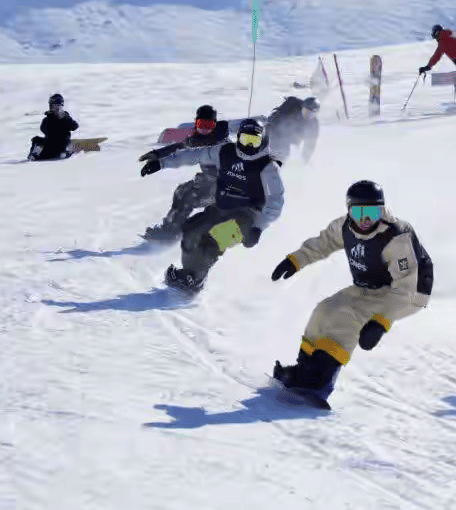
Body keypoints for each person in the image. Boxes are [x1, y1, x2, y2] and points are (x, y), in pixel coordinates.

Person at [269, 181, 432, 405]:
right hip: (370, 286)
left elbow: (405, 287)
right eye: (359, 213)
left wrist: (380, 323)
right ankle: (305, 368)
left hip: (409, 293)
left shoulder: (394, 238)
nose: (365, 221)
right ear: (348, 210)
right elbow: (324, 243)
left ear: (382, 210)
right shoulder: (344, 227)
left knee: (349, 318)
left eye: (372, 213)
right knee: (324, 310)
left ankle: (321, 380)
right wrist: (296, 260)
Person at [141, 118, 283, 293]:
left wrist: (258, 228)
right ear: (238, 137)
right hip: (221, 208)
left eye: (254, 141)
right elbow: (195, 155)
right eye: (245, 139)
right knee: (190, 231)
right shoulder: (225, 151)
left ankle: (196, 279)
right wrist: (161, 162)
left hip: (246, 217)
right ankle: (189, 273)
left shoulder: (268, 167)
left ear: (262, 141)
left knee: (213, 240)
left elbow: (276, 201)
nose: (248, 146)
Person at [141, 105, 231, 242]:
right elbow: (182, 149)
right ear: (195, 124)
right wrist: (157, 156)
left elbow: (192, 154)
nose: (204, 130)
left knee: (189, 197)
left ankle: (172, 234)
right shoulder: (198, 141)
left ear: (215, 125)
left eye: (208, 126)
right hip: (210, 184)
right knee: (181, 191)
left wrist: (211, 180)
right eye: (201, 125)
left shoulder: (221, 144)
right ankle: (169, 229)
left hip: (225, 191)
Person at [419, 25, 456, 105]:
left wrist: (428, 66)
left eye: (435, 36)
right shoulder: (449, 36)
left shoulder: (444, 40)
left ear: (437, 34)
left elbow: (437, 55)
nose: (436, 39)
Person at [266, 96, 319, 163]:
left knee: (281, 156)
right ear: (302, 108)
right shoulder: (292, 104)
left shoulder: (314, 124)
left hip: (291, 140)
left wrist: (304, 161)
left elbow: (310, 145)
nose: (308, 115)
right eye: (306, 111)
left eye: (311, 114)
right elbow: (276, 119)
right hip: (276, 129)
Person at [28, 94, 79, 161]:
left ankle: (65, 153)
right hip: (49, 147)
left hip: (61, 146)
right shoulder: (47, 119)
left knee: (67, 144)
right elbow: (43, 129)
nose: (57, 108)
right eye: (55, 106)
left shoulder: (66, 118)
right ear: (51, 107)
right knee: (37, 140)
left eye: (59, 106)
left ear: (61, 106)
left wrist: (66, 121)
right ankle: (34, 155)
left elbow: (75, 126)